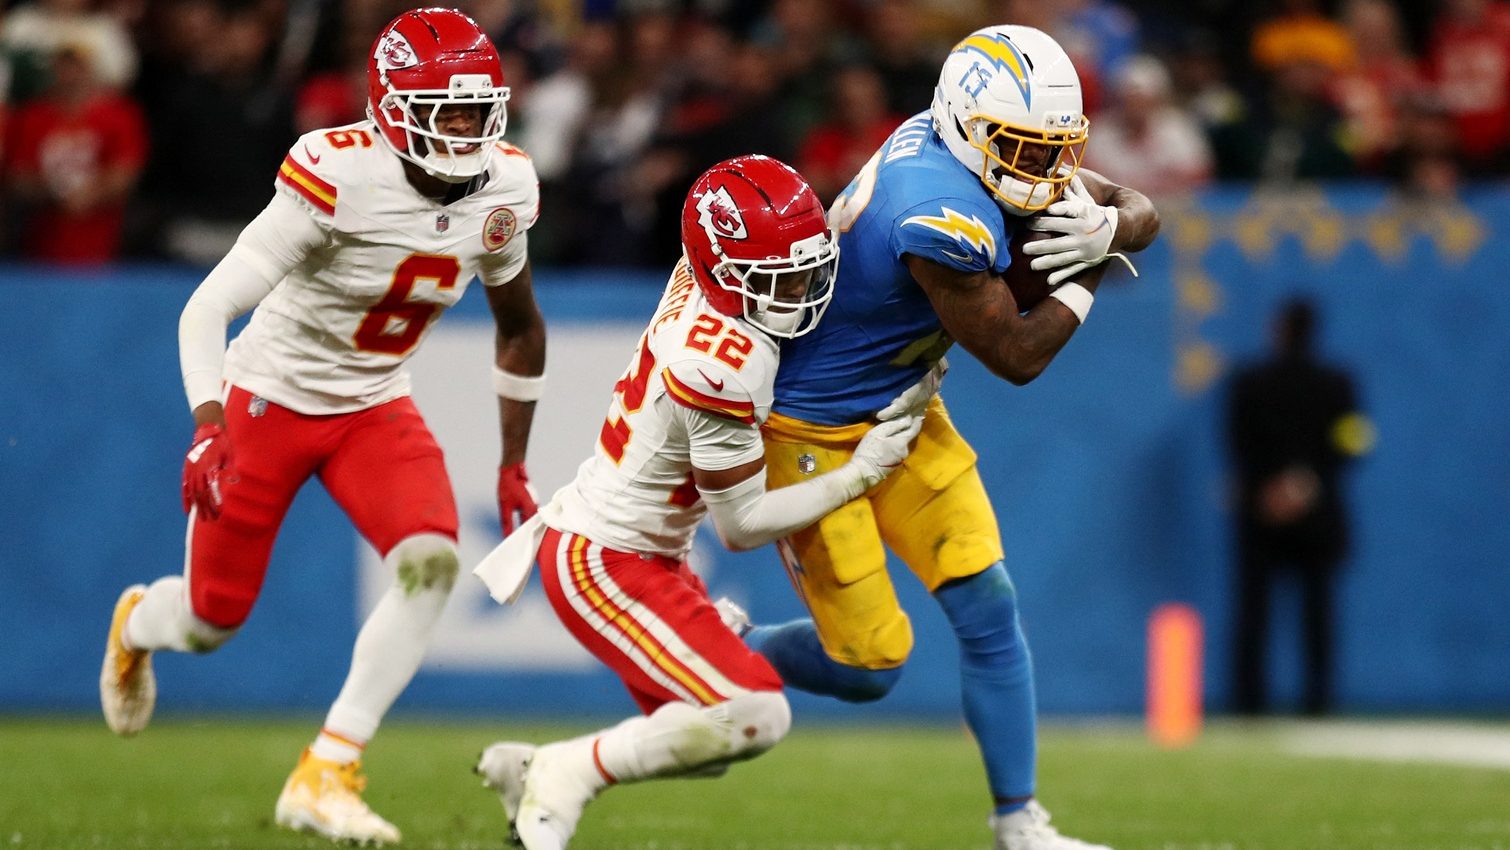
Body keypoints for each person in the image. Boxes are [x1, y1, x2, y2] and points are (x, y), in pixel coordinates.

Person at [98, 8, 545, 845]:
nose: (462, 128)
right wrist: (206, 423)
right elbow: (210, 307)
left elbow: (520, 325)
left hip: (374, 401)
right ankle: (137, 623)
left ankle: (327, 767)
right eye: (442, 109)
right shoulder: (339, 172)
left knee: (431, 563)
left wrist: (512, 462)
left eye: (474, 109)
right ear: (388, 104)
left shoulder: (508, 185)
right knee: (208, 621)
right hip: (267, 399)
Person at [739, 25, 1160, 850]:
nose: (1049, 172)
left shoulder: (965, 140)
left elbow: (1139, 210)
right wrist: (1089, 272)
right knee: (871, 667)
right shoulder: (934, 209)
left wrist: (1113, 230)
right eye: (1026, 151)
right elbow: (1015, 355)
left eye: (1055, 151)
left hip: (901, 411)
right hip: (813, 433)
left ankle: (1020, 823)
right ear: (972, 129)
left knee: (987, 604)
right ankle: (725, 640)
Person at [470, 155, 929, 850]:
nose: (802, 290)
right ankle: (566, 772)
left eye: (808, 269)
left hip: (644, 555)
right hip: (607, 560)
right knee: (754, 714)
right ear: (728, 272)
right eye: (780, 278)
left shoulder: (704, 279)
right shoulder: (722, 358)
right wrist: (859, 474)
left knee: (704, 738)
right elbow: (741, 526)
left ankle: (535, 767)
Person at [1227, 299, 1372, 716]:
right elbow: (1352, 443)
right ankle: (1318, 702)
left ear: (1281, 329)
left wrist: (1271, 492)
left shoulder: (1250, 383)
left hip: (1261, 513)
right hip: (1318, 514)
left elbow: (1239, 446)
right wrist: (1307, 484)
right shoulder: (1338, 384)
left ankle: (1249, 704)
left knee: (1256, 612)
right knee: (1317, 612)